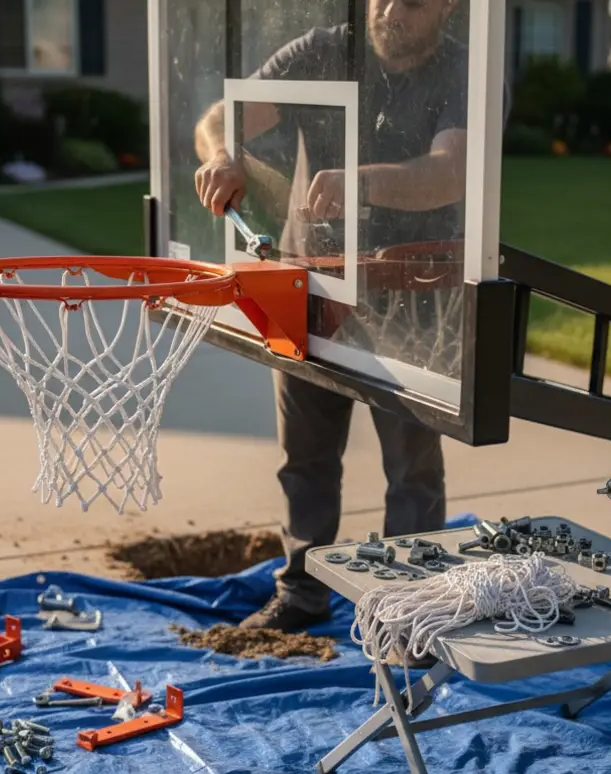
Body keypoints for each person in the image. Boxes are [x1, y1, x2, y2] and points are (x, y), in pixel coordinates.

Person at [193, 0, 495, 634]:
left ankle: (405, 608)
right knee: (304, 455)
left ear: (446, 5)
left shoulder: (462, 70)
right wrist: (223, 155)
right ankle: (301, 593)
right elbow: (222, 119)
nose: (389, 10)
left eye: (411, 1)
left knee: (411, 466)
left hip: (411, 290)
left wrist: (360, 181)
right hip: (312, 287)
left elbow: (449, 175)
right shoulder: (323, 49)